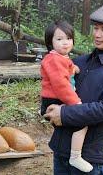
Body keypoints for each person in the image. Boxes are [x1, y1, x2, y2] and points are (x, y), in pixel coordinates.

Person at [43, 4, 103, 174]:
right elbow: (55, 91)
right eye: (96, 28)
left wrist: (64, 114)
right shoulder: (78, 63)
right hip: (61, 152)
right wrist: (48, 107)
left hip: (90, 159)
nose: (97, 34)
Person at [40, 20, 93, 172]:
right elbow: (60, 84)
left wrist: (73, 68)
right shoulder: (53, 60)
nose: (65, 43)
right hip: (56, 98)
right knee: (81, 123)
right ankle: (75, 156)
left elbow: (66, 68)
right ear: (50, 42)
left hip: (57, 97)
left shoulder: (61, 58)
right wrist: (75, 102)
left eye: (69, 39)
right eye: (59, 39)